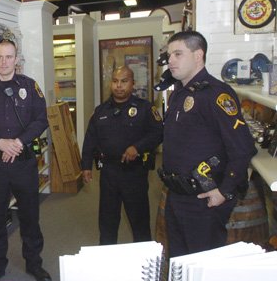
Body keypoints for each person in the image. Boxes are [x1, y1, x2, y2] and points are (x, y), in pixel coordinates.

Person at [160, 30, 256, 258]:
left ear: (198, 55)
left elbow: (243, 148)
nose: (170, 60)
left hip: (204, 200)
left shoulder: (216, 94)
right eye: (169, 55)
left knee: (203, 267)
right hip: (177, 195)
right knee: (180, 264)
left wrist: (225, 191)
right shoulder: (179, 94)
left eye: (178, 54)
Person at [0, 39, 50, 281]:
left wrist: (18, 143)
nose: (4, 62)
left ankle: (35, 264)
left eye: (9, 57)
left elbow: (41, 119)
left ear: (16, 59)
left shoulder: (29, 86)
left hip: (23, 164)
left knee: (30, 217)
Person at [81, 66, 163, 245]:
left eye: (124, 81)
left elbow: (158, 132)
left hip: (134, 173)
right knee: (107, 222)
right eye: (115, 81)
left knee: (139, 222)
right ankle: (107, 260)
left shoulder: (144, 109)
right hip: (109, 173)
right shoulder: (101, 111)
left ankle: (144, 263)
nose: (119, 86)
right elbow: (90, 139)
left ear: (133, 84)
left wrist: (138, 147)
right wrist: (86, 166)